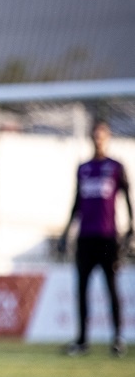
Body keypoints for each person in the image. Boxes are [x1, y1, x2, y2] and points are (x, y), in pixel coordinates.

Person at [58, 119, 131, 357]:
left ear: (107, 137)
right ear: (91, 137)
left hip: (108, 238)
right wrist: (66, 232)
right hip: (85, 239)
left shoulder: (116, 167)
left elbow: (127, 200)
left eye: (102, 135)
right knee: (82, 290)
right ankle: (81, 340)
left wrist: (131, 229)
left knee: (111, 289)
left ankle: (118, 339)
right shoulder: (83, 168)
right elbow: (76, 202)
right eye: (95, 135)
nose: (98, 139)